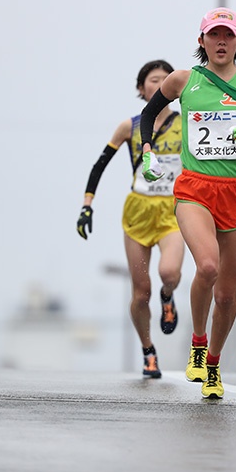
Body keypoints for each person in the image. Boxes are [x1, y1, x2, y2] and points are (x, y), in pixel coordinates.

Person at [138, 8, 236, 398]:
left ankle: (215, 365)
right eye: (214, 35)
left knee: (228, 295)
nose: (221, 42)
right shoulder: (184, 80)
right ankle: (198, 346)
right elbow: (149, 114)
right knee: (207, 265)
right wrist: (148, 150)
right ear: (201, 42)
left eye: (228, 35)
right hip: (195, 189)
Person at [77, 59, 185, 379]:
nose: (161, 84)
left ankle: (169, 297)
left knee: (169, 272)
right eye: (153, 80)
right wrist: (87, 205)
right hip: (138, 213)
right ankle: (148, 350)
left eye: (167, 79)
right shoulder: (130, 127)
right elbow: (100, 165)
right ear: (141, 89)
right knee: (140, 292)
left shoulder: (187, 124)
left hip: (173, 212)